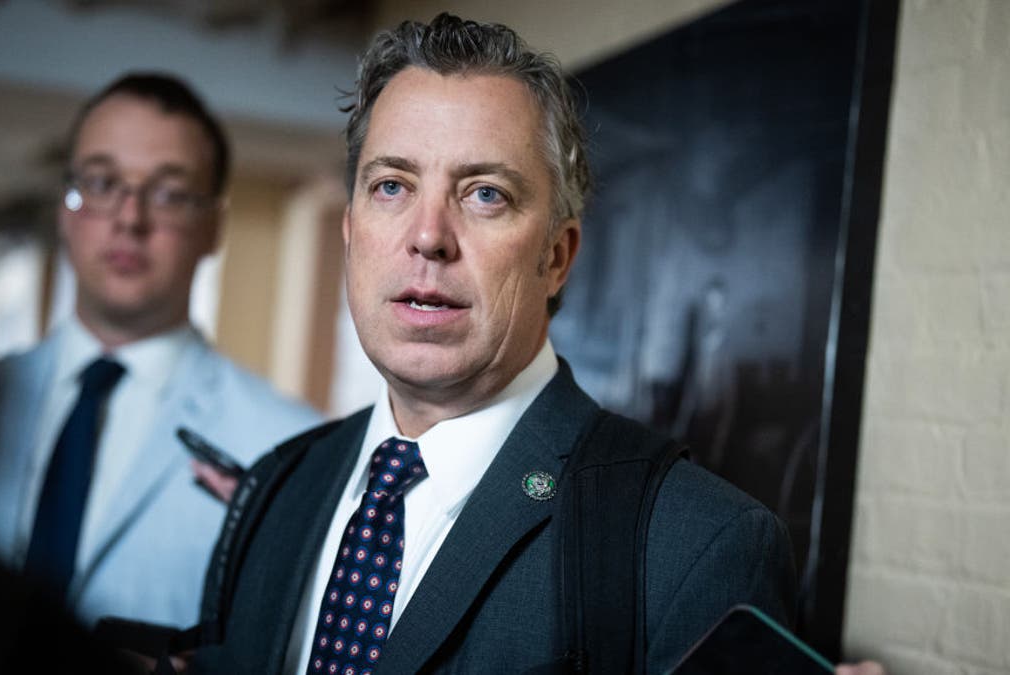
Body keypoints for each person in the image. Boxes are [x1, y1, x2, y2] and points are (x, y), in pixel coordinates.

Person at [184, 14, 795, 675]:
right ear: (352, 229)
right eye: (392, 185)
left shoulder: (696, 543)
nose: (428, 236)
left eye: (484, 194)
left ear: (557, 256)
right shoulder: (274, 489)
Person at [0, 73, 321, 629]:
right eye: (102, 183)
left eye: (170, 193)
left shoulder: (286, 447)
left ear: (213, 228)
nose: (130, 219)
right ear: (64, 205)